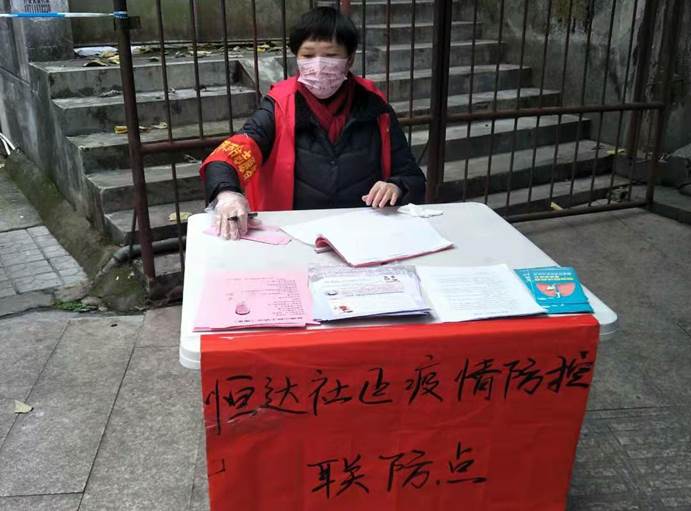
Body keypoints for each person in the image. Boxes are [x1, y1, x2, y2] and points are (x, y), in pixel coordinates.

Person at [200, 7, 426, 239]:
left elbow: (412, 176)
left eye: (331, 55)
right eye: (308, 56)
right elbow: (230, 155)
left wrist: (396, 186)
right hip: (293, 235)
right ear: (297, 58)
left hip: (364, 234)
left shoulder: (376, 107)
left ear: (349, 59)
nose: (318, 66)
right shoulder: (278, 106)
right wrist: (227, 193)